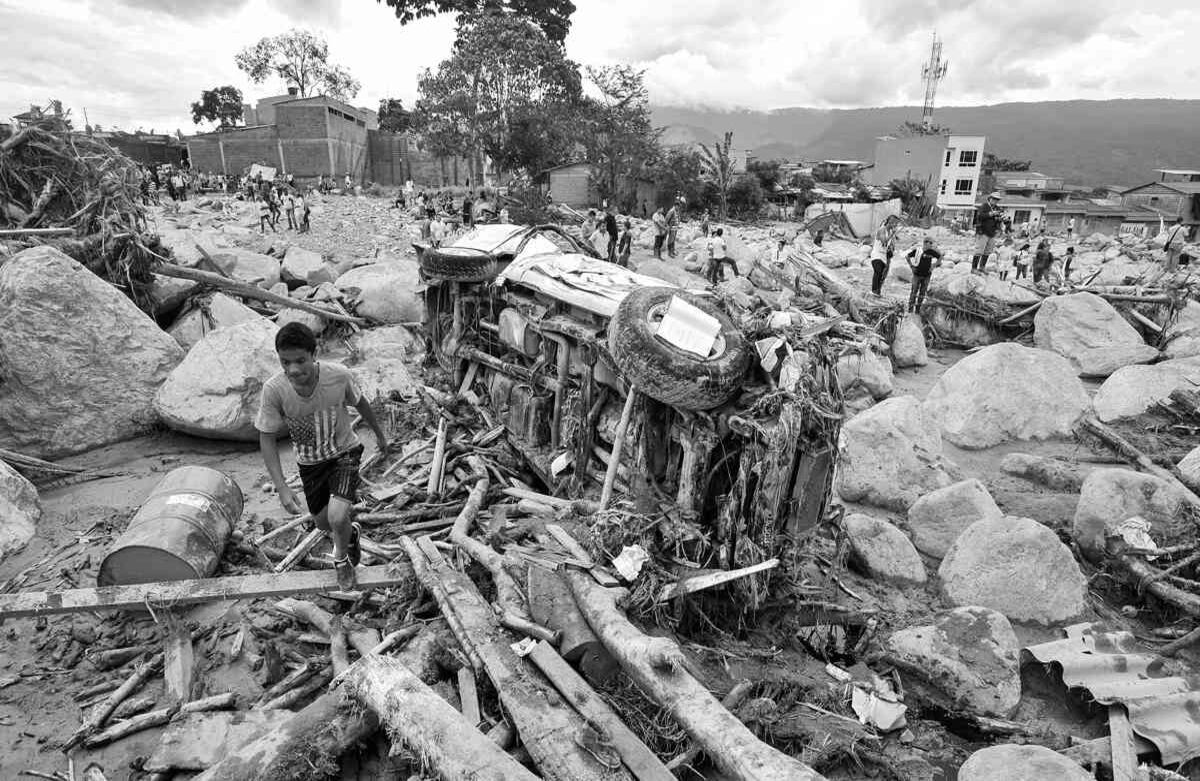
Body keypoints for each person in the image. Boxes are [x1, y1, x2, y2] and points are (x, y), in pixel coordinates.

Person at [255, 322, 388, 590]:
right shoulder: (274, 390)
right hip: (310, 464)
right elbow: (266, 437)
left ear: (314, 354)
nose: (293, 369)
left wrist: (380, 435)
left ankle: (341, 560)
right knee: (323, 523)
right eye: (285, 362)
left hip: (344, 453)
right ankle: (351, 536)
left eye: (300, 361)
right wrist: (282, 487)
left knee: (337, 516)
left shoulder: (338, 376)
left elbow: (361, 402)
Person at [904, 236, 942, 313]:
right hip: (917, 274)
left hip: (927, 275)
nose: (931, 245)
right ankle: (910, 310)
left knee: (922, 293)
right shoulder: (918, 251)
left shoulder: (931, 252)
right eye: (930, 243)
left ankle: (917, 310)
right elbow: (907, 256)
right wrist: (911, 266)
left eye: (932, 243)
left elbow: (940, 257)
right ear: (925, 243)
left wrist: (934, 265)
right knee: (914, 292)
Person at [972, 192, 1004, 274]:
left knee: (988, 251)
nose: (995, 201)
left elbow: (999, 220)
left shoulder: (997, 208)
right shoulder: (984, 206)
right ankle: (974, 268)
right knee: (979, 250)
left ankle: (982, 267)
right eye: (994, 199)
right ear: (990, 198)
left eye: (997, 200)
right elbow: (980, 216)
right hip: (982, 231)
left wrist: (1000, 218)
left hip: (992, 232)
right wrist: (991, 214)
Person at [869, 217, 898, 295]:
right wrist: (892, 234)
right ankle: (873, 291)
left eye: (896, 223)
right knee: (878, 272)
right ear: (889, 222)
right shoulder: (882, 230)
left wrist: (891, 248)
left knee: (881, 275)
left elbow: (891, 244)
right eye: (894, 223)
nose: (895, 225)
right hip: (877, 254)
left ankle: (877, 292)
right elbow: (884, 241)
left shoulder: (890, 232)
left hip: (884, 256)